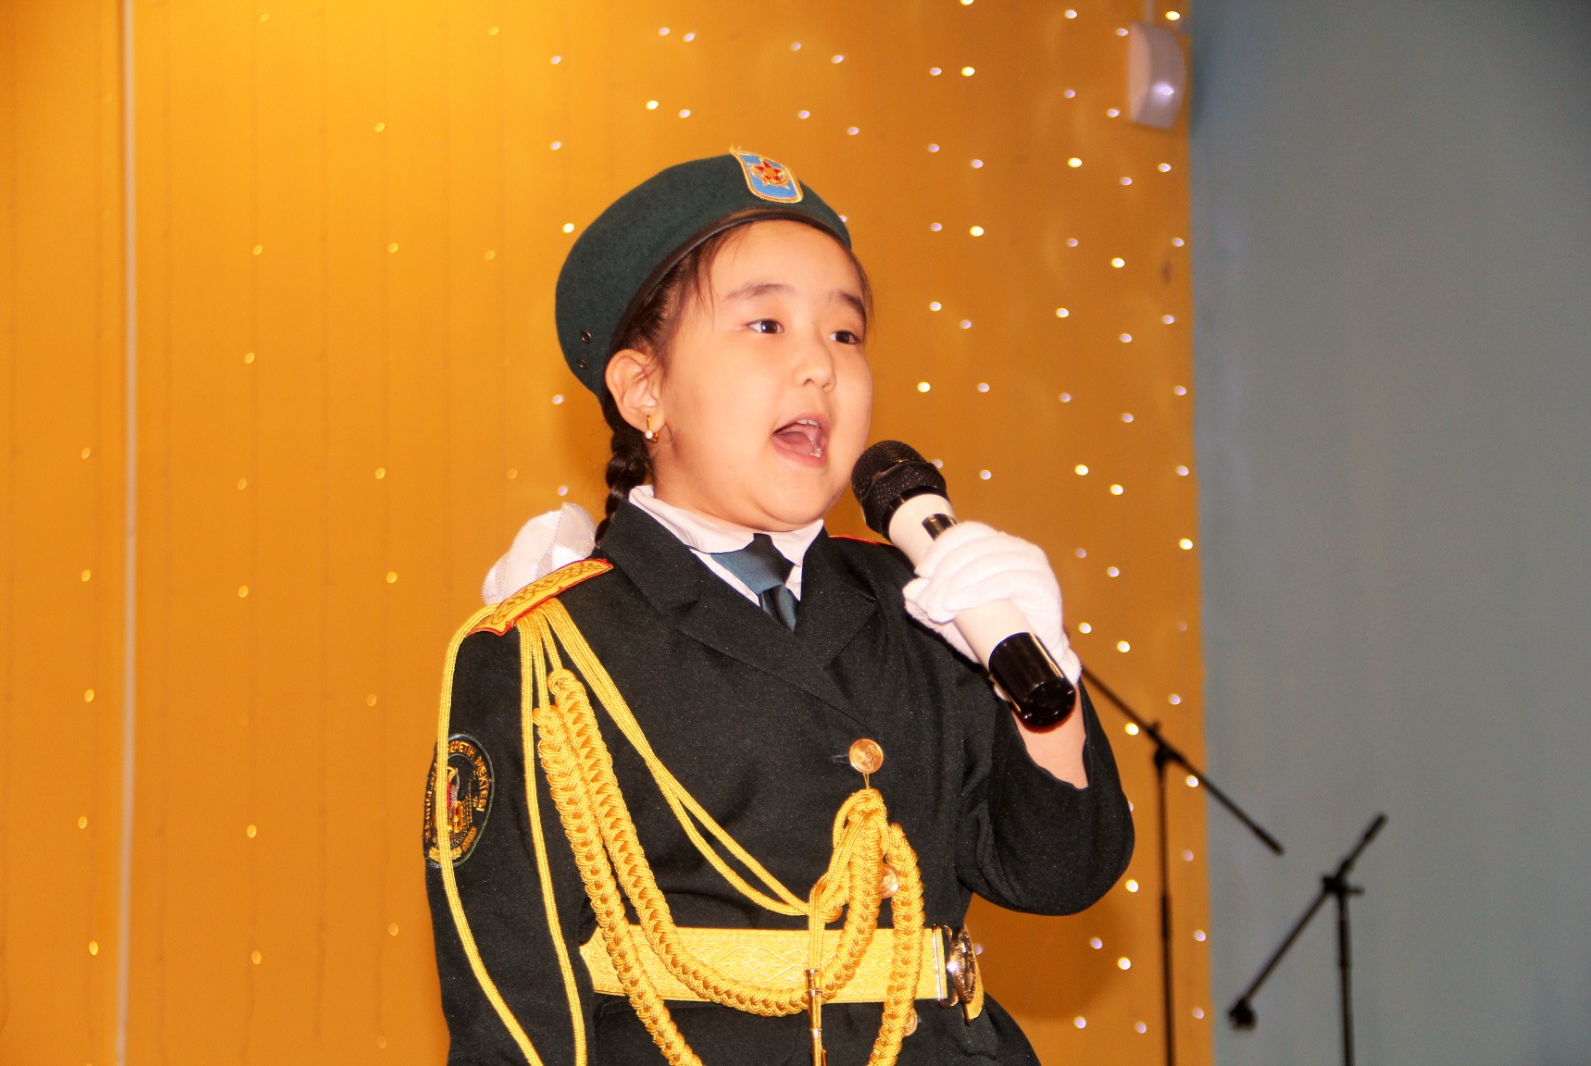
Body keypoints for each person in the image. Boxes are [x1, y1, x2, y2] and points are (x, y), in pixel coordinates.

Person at [425, 149, 1134, 1066]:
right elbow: (510, 1014)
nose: (819, 367)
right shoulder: (548, 648)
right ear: (644, 390)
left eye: (845, 334)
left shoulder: (924, 604)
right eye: (766, 324)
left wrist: (1045, 686)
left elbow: (1058, 874)